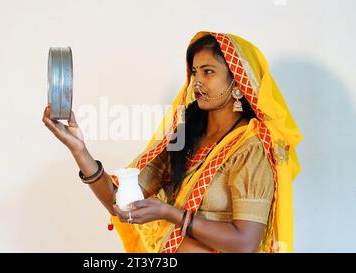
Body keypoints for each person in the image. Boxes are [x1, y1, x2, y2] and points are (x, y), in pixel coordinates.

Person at [42, 31, 303, 253]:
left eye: (208, 71)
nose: (197, 80)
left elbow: (245, 242)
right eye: (194, 71)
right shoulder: (184, 137)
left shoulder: (252, 146)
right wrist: (79, 149)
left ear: (237, 81)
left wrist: (170, 214)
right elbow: (118, 202)